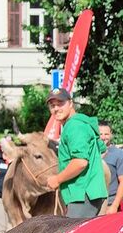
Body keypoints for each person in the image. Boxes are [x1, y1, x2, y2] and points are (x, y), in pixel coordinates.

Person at [44, 88, 108, 219]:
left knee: (73, 232)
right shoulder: (80, 124)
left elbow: (80, 162)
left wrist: (57, 179)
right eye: (52, 105)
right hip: (85, 192)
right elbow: (102, 148)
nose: (56, 108)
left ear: (71, 103)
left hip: (83, 194)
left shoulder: (75, 126)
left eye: (60, 104)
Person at [98, 122, 123, 214]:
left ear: (111, 134)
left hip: (108, 204)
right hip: (91, 205)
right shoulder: (90, 152)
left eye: (106, 134)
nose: (103, 137)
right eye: (100, 134)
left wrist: (114, 205)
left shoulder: (120, 155)